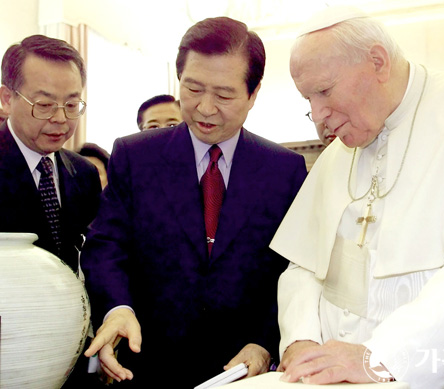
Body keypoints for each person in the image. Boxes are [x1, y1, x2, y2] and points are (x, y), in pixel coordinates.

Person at [269, 7, 444, 389]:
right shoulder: (338, 152)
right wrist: (301, 341)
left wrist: (382, 356)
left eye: (324, 91)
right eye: (308, 99)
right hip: (334, 378)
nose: (319, 117)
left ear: (378, 62)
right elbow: (303, 264)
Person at [80, 16, 307, 387]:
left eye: (224, 94)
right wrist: (117, 308)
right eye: (193, 88)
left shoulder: (284, 170)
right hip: (146, 365)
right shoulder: (136, 157)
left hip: (241, 372)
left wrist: (265, 342)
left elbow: (292, 270)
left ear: (253, 93)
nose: (204, 107)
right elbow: (107, 246)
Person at [0, 34, 102, 388]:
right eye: (44, 105)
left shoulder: (84, 173)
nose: (61, 119)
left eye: (72, 104)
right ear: (6, 98)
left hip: (70, 356)